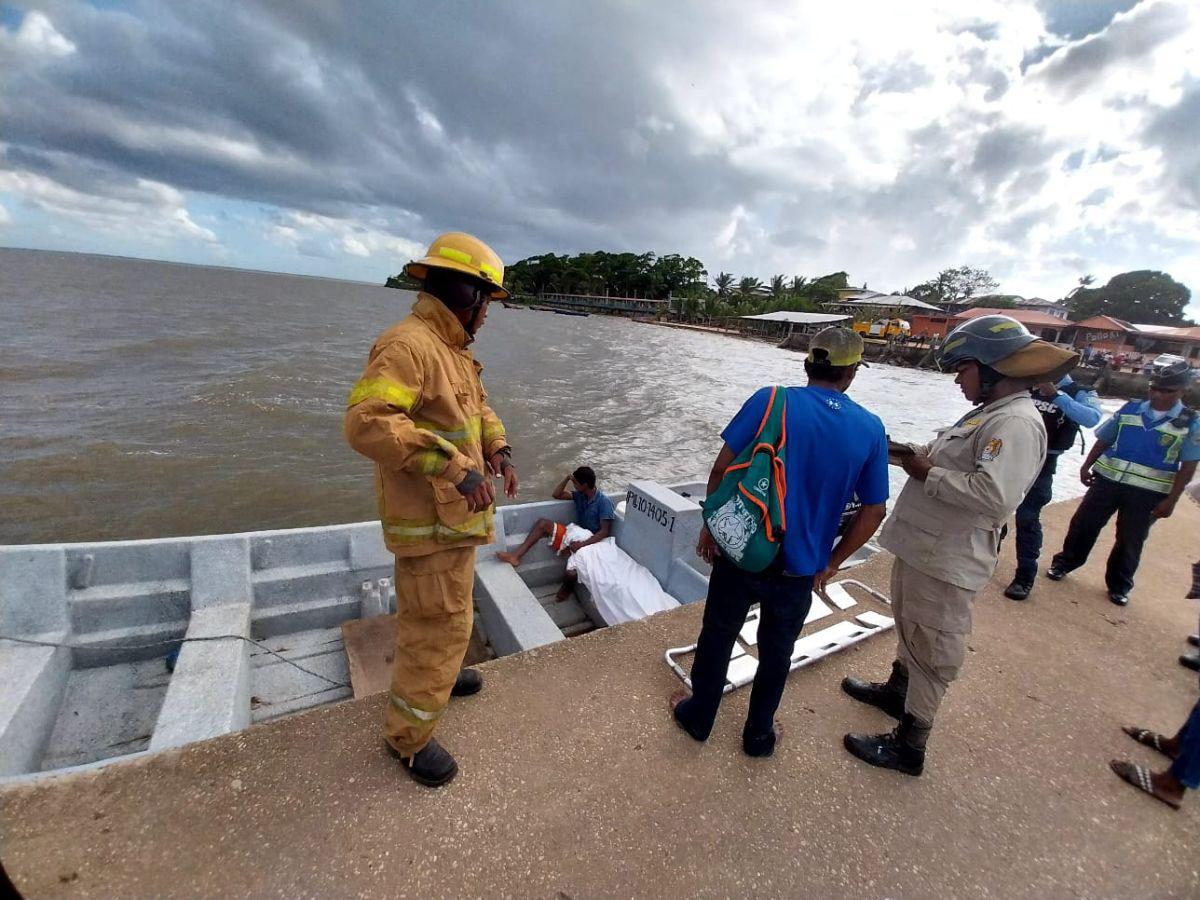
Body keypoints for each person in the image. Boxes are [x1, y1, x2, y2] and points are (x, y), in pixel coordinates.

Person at [842, 315, 1078, 777]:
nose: (957, 380)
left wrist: (927, 472)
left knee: (934, 644)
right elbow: (943, 458)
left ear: (992, 368)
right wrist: (893, 450)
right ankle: (897, 692)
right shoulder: (989, 413)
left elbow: (994, 496)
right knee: (912, 625)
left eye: (963, 369)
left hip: (949, 555)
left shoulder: (1015, 423)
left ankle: (910, 743)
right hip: (927, 547)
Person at [344, 232, 518, 788]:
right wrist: (456, 468)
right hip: (430, 523)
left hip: (454, 521)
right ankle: (409, 741)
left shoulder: (452, 351)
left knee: (449, 614)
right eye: (487, 301)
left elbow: (478, 409)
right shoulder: (408, 347)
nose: (488, 314)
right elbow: (367, 423)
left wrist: (498, 450)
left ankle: (442, 678)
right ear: (467, 293)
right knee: (435, 626)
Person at [670, 327, 889, 758]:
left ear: (808, 364)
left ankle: (699, 717)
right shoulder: (871, 428)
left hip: (744, 553)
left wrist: (713, 526)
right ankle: (758, 736)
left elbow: (721, 470)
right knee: (777, 651)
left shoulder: (771, 400)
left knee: (718, 634)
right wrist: (833, 562)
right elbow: (874, 511)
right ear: (851, 374)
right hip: (800, 567)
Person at [1047, 360, 1198, 606]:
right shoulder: (1131, 409)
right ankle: (1064, 563)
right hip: (1108, 481)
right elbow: (1105, 439)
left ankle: (1119, 585)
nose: (1158, 394)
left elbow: (1188, 466)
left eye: (1166, 391)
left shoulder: (1190, 422)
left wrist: (1171, 500)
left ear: (1182, 391)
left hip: (1148, 492)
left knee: (1130, 540)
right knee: (1083, 525)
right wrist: (1086, 466)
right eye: (1154, 388)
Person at [1003, 372, 1102, 600]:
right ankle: (989, 559)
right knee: (995, 509)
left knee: (1027, 518)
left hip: (1044, 462)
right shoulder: (1026, 383)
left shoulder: (1079, 391)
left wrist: (1056, 395)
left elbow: (1092, 418)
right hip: (1011, 454)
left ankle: (1024, 577)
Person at [496, 466, 616, 600]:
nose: (574, 486)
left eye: (576, 483)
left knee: (571, 573)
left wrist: (582, 545)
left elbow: (604, 532)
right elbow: (557, 494)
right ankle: (515, 556)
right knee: (542, 524)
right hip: (577, 534)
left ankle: (567, 589)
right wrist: (567, 478)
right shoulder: (580, 495)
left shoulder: (604, 502)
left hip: (593, 542)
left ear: (585, 485)